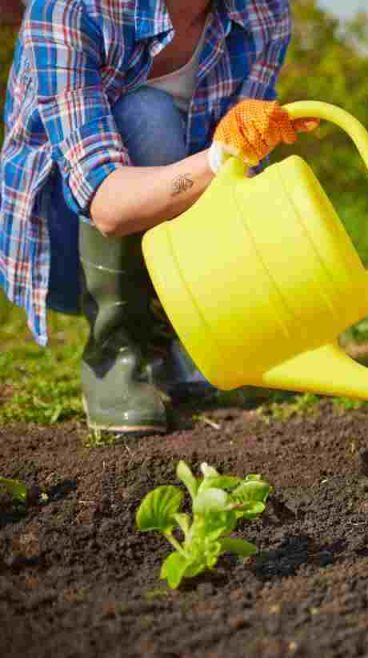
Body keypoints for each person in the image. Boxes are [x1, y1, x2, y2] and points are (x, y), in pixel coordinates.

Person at [1, 0, 315, 434]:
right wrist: (217, 159)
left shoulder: (263, 12)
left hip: (175, 233)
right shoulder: (70, 9)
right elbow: (106, 203)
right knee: (148, 115)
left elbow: (239, 167)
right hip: (62, 242)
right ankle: (115, 351)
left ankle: (176, 330)